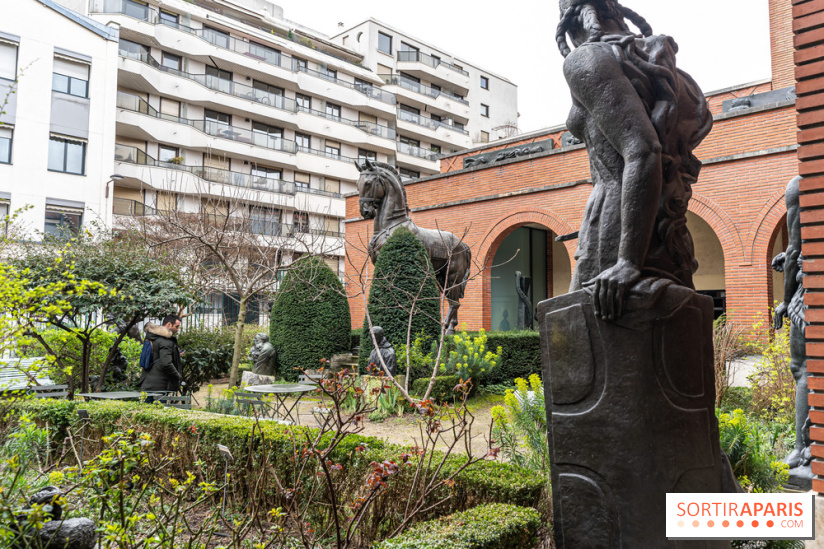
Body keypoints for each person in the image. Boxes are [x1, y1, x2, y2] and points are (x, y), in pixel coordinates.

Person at [556, 0, 713, 319]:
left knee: (584, 347)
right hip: (667, 235)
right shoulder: (668, 70)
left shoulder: (586, 57)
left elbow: (643, 151)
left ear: (571, 23)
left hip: (615, 234)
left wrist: (627, 261)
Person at [139, 314, 184, 394]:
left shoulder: (152, 337)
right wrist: (178, 376)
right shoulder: (165, 341)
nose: (177, 329)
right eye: (176, 326)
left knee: (148, 406)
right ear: (169, 324)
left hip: (148, 382)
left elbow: (156, 356)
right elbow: (166, 363)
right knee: (158, 406)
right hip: (159, 385)